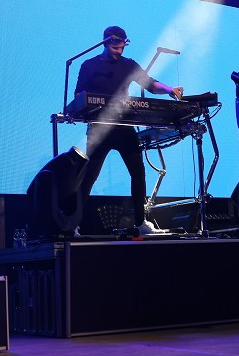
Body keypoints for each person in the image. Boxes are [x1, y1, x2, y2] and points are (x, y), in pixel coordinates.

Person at [75, 26, 183, 234]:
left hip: (124, 126)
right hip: (100, 128)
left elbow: (150, 84)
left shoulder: (128, 65)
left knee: (138, 172)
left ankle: (140, 223)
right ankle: (73, 223)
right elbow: (79, 95)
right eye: (115, 47)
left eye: (122, 47)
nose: (119, 51)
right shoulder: (88, 65)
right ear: (105, 43)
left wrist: (170, 89)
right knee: (89, 176)